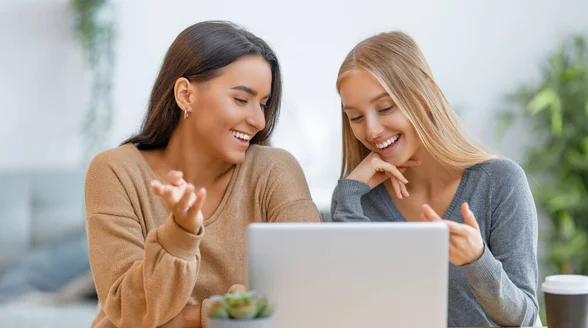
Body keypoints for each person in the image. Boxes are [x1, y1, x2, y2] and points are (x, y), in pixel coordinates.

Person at [85, 21, 321, 328]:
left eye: (263, 104)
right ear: (185, 94)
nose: (259, 121)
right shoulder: (115, 171)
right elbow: (129, 310)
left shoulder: (275, 170)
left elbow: (308, 291)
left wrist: (187, 317)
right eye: (241, 99)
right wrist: (180, 235)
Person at [326, 31, 540, 327]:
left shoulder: (500, 183)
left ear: (424, 96)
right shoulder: (354, 197)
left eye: (385, 107)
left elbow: (525, 318)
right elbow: (351, 306)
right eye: (356, 117)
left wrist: (478, 260)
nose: (372, 130)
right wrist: (349, 196)